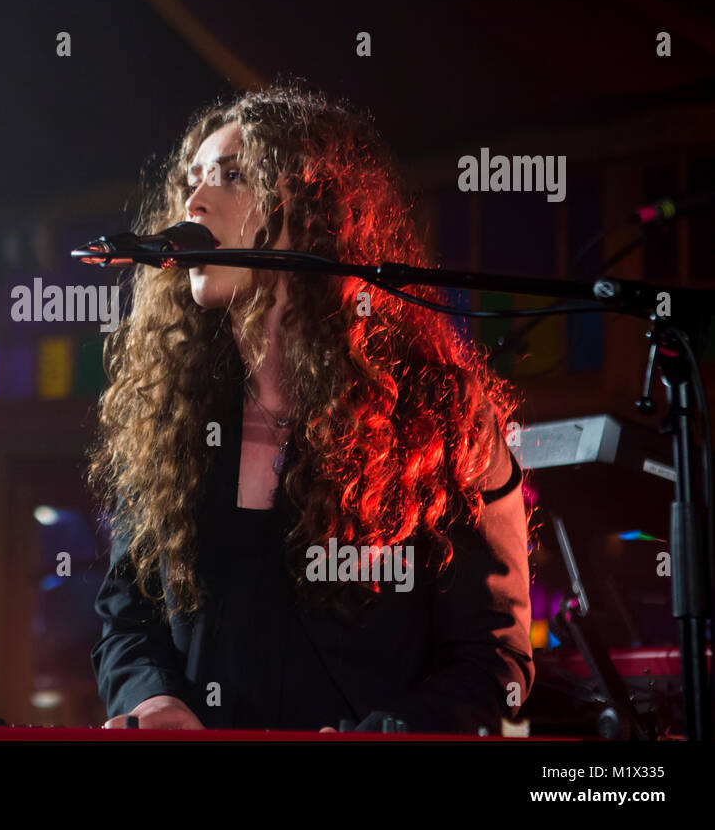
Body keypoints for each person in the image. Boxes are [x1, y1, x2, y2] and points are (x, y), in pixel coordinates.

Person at [88, 80, 533, 734]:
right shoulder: (172, 419)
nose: (195, 198)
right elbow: (127, 617)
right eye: (193, 179)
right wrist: (153, 699)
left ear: (312, 212)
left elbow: (493, 657)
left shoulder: (437, 412)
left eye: (232, 176)